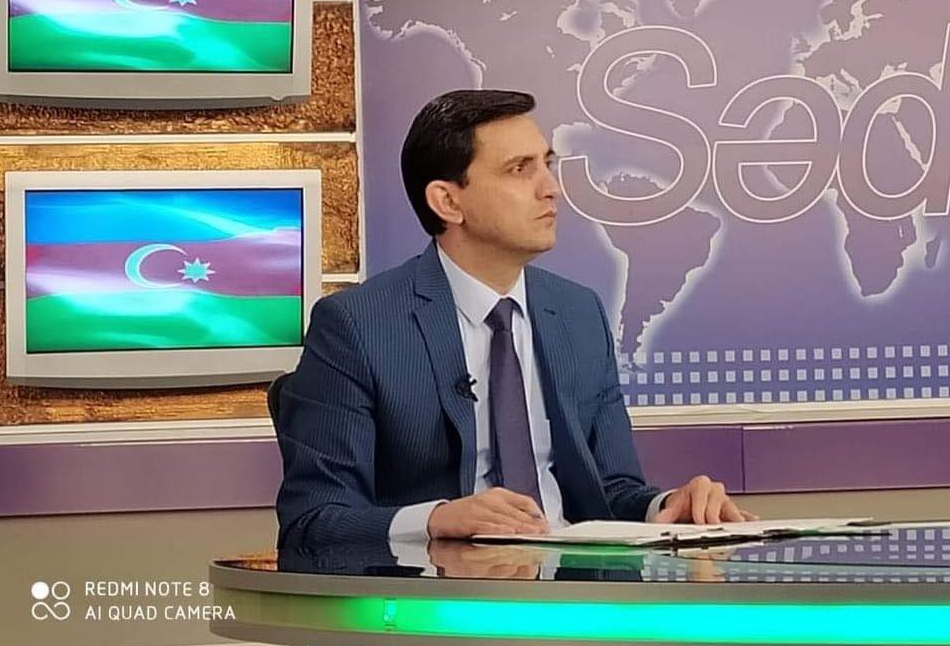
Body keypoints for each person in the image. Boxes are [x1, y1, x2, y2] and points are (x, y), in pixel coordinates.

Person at [275, 90, 753, 549]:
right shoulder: (358, 326)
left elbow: (610, 490)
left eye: (547, 164)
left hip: (573, 588)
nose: (551, 188)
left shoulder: (578, 314)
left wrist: (665, 507)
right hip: (439, 594)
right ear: (448, 202)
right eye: (520, 169)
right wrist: (438, 520)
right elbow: (314, 520)